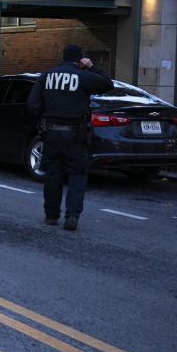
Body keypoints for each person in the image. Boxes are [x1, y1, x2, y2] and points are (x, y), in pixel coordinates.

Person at [26, 44, 113, 231]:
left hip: (51, 133)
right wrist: (92, 67)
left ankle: (51, 216)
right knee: (77, 175)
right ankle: (72, 216)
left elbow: (32, 105)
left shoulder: (46, 76)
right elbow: (108, 84)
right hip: (75, 134)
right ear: (80, 60)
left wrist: (45, 116)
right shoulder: (83, 77)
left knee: (52, 175)